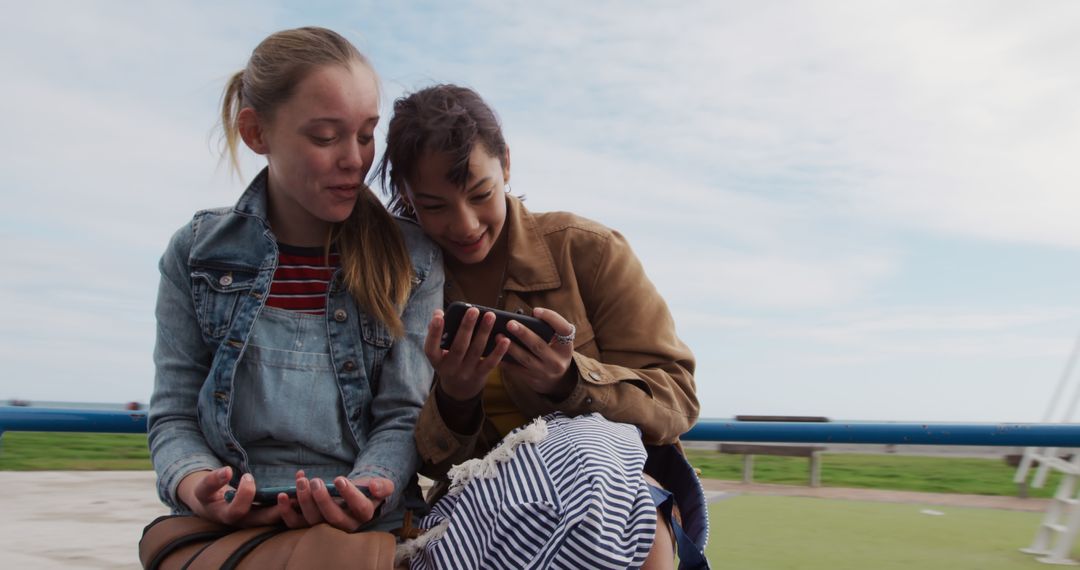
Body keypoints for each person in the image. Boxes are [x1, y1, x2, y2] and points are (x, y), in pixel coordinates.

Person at [377, 85, 707, 569]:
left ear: (506, 163)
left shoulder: (589, 252)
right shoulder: (402, 286)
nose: (464, 224)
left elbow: (678, 400)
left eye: (480, 194)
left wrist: (571, 381)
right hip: (495, 523)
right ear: (406, 196)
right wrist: (455, 399)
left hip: (612, 505)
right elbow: (427, 465)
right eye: (434, 206)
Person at [147, 27, 442, 536]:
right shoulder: (194, 253)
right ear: (256, 133)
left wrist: (368, 490)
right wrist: (196, 483)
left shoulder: (411, 258)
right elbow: (174, 412)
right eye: (325, 137)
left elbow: (404, 416)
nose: (354, 159)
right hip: (230, 531)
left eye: (367, 134)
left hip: (367, 530)